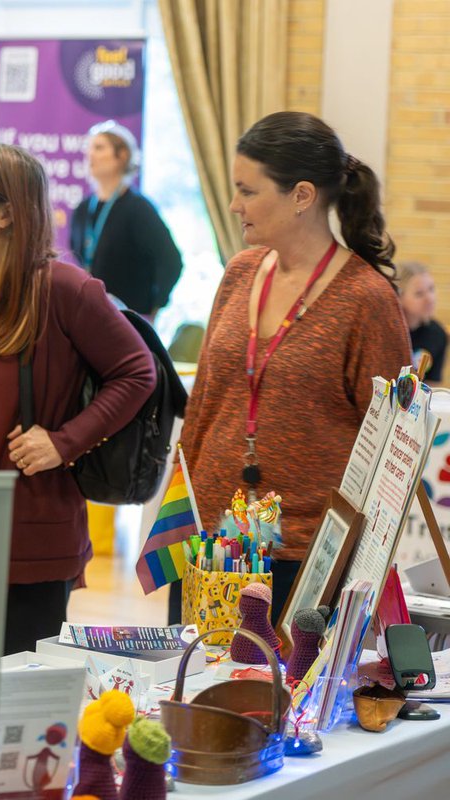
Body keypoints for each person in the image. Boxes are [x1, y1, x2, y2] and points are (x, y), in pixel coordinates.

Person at [0, 143, 156, 655]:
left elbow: (136, 373)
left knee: (16, 708)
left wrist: (64, 442)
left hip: (27, 543)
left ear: (7, 213)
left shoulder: (64, 290)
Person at [177, 111, 412, 623]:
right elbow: (204, 408)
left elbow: (394, 450)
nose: (235, 206)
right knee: (194, 696)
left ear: (302, 196)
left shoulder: (365, 300)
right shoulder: (239, 274)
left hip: (305, 562)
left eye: (249, 191)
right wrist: (180, 519)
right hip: (215, 549)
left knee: (276, 702)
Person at [69, 120, 182, 319]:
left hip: (130, 319)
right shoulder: (83, 209)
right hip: (89, 316)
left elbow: (171, 261)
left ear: (121, 156)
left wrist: (155, 308)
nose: (90, 154)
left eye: (99, 147)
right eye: (89, 147)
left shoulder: (139, 209)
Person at [398, 261, 445, 383]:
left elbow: (431, 385)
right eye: (419, 294)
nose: (430, 298)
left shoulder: (438, 334)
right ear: (399, 298)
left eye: (431, 289)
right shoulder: (385, 331)